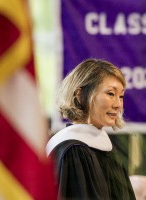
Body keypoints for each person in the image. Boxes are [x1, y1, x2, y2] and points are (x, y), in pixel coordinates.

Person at [46, 58, 136, 200]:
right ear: (80, 95)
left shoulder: (107, 151)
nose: (118, 104)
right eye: (111, 94)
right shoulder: (73, 151)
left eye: (121, 96)